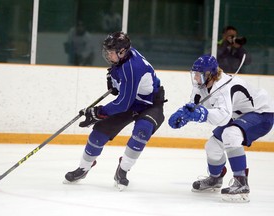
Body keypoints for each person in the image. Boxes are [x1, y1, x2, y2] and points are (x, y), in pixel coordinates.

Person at [64, 31, 165, 191]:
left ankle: (122, 170)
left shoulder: (133, 67)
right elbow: (123, 91)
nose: (108, 55)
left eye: (111, 52)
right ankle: (83, 168)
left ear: (122, 52)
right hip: (133, 101)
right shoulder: (123, 59)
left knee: (142, 131)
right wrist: (115, 82)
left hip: (150, 104)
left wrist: (98, 112)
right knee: (99, 133)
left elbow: (123, 103)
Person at [168, 54, 274, 202]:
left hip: (261, 113)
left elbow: (223, 117)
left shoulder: (224, 86)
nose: (196, 78)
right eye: (194, 74)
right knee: (212, 146)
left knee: (231, 134)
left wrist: (201, 115)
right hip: (238, 114)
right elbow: (194, 105)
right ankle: (215, 179)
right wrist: (183, 115)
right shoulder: (201, 86)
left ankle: (241, 182)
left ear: (209, 74)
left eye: (198, 75)